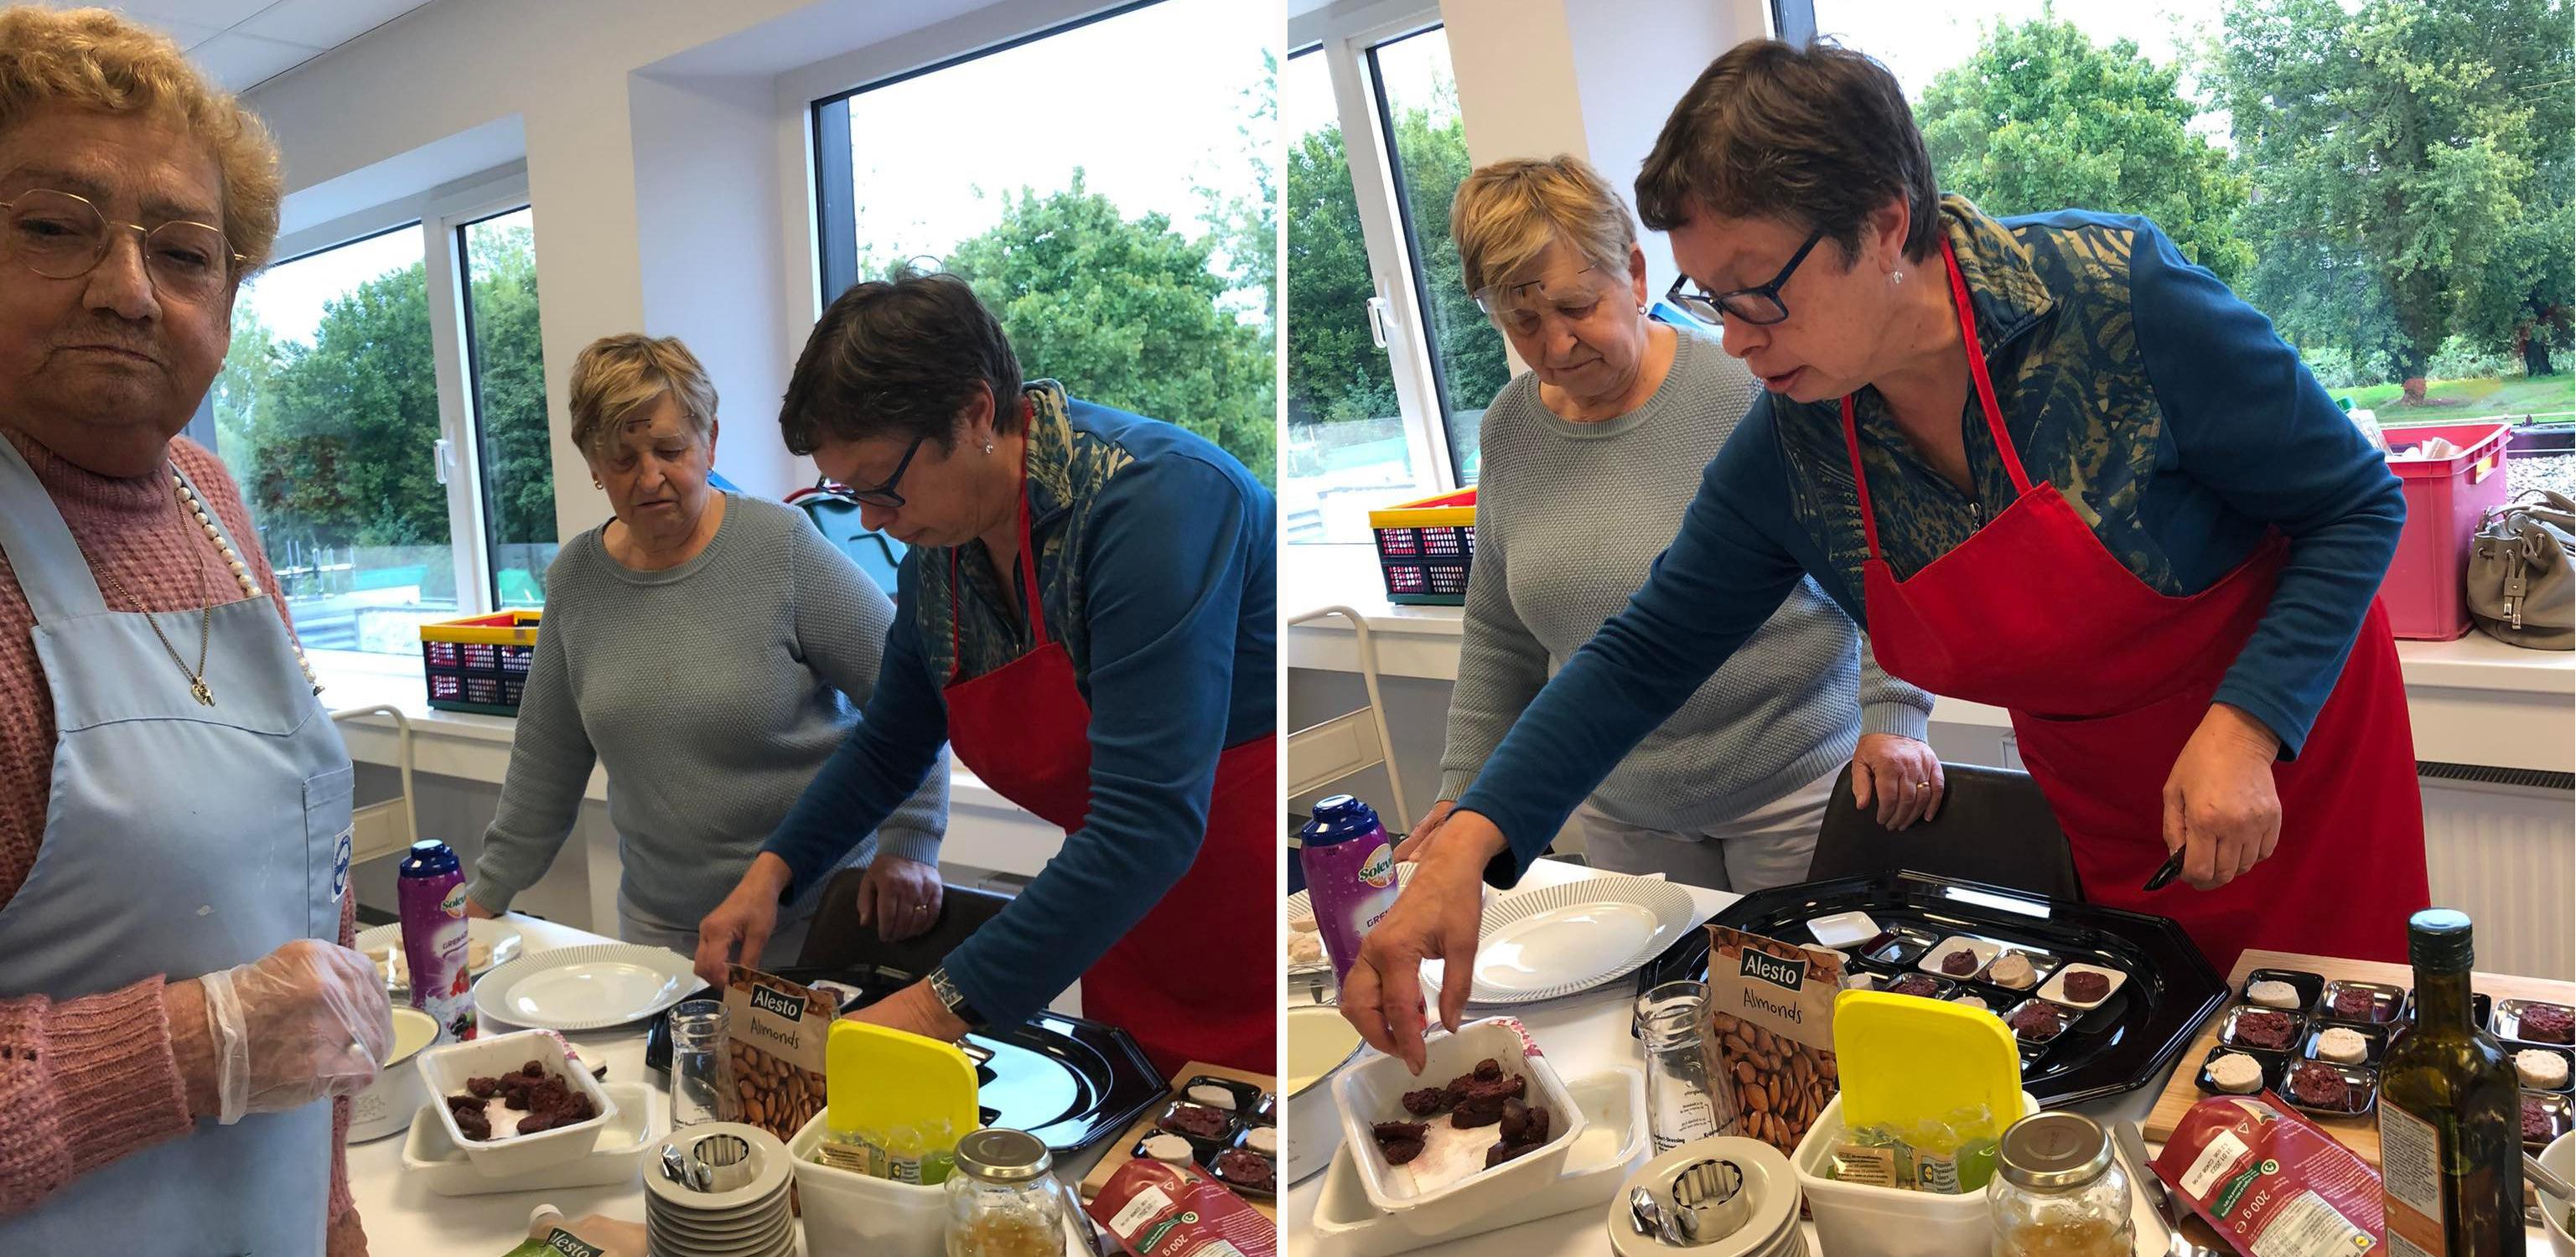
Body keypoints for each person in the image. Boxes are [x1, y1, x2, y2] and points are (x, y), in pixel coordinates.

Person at [1349, 39, 2428, 1069]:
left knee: (2344, 1065)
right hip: (2105, 797)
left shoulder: (2115, 301)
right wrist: (1469, 839)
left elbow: (2353, 504)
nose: (1735, 336)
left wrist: (2246, 727)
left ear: (1881, 225)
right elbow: (1645, 652)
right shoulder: (1798, 440)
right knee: (2170, 1067)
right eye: (1710, 298)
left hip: (2288, 749)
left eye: (1755, 289)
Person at [0, 8, 391, 1250]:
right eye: (53, 226)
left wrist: (331, 1211)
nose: (127, 291)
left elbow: (302, 911)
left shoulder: (209, 501)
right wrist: (193, 1046)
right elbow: (239, 1027)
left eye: (183, 253)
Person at [697, 272, 1273, 1075]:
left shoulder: (1156, 504)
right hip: (1118, 914)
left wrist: (923, 1013)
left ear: (973, 414)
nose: (870, 520)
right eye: (848, 492)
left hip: (1251, 918)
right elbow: (890, 745)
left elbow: (1148, 823)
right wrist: (773, 874)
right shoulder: (943, 551)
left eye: (881, 486)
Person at [1403, 155, 1939, 892]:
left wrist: (1893, 711)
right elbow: (1500, 636)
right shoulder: (1509, 429)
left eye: (1576, 308)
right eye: (1522, 321)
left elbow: (1880, 559)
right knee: (1657, 972)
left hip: (1796, 787)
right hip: (1622, 807)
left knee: (1805, 968)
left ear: (1632, 273)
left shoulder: (1755, 388)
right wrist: (1466, 793)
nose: (1555, 345)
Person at [463, 334, 951, 960]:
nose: (650, 478)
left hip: (816, 919)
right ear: (592, 463)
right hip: (663, 932)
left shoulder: (782, 547)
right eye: (622, 459)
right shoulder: (577, 581)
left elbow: (911, 697)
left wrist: (910, 840)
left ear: (710, 440)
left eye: (671, 450)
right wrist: (483, 902)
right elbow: (544, 766)